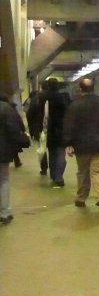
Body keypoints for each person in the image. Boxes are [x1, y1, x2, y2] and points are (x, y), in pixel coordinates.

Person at [63, 78, 99, 212]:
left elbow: (68, 126)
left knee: (83, 172)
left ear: (80, 89)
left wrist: (68, 143)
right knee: (98, 171)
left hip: (81, 145)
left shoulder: (74, 105)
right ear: (94, 88)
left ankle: (81, 198)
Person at [32, 78, 70, 187]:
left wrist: (35, 130)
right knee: (60, 155)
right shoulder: (62, 98)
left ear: (47, 85)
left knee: (51, 154)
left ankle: (53, 175)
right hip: (59, 130)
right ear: (57, 86)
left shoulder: (40, 98)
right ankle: (58, 177)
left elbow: (34, 114)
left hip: (45, 131)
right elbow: (67, 114)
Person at [0, 94, 30, 224]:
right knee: (3, 180)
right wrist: (22, 141)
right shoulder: (5, 108)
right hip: (2, 151)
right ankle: (5, 213)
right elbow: (14, 128)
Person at [25, 82, 48, 175]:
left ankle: (44, 168)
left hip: (38, 128)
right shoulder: (59, 98)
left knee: (42, 149)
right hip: (55, 128)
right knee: (56, 150)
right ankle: (57, 174)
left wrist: (31, 129)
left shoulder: (35, 99)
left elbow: (29, 114)